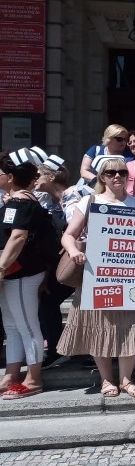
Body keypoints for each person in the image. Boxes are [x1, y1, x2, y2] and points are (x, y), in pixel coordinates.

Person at [57, 155, 135, 399]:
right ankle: (107, 380)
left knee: (130, 326)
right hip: (96, 273)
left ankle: (127, 379)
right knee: (98, 327)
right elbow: (68, 235)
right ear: (101, 177)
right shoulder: (89, 201)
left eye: (122, 172)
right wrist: (74, 251)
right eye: (110, 173)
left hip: (129, 275)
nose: (117, 176)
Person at [0, 149, 60, 399]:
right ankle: (11, 375)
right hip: (13, 272)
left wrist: (0, 269)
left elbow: (18, 237)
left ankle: (33, 378)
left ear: (11, 177)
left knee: (26, 324)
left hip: (22, 272)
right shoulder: (15, 201)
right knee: (12, 326)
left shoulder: (21, 202)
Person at [34, 153, 75, 368]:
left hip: (80, 260)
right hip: (63, 262)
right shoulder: (50, 200)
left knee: (50, 301)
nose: (36, 178)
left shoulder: (75, 195)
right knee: (47, 300)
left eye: (39, 174)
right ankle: (58, 348)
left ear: (51, 177)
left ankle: (76, 350)